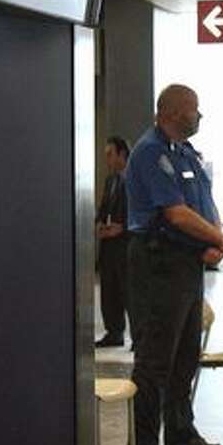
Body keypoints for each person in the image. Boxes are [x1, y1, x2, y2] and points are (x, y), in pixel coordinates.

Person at [124, 84, 223, 445]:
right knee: (155, 359)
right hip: (158, 263)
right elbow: (176, 214)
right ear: (170, 112)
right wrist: (218, 238)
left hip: (187, 263)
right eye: (193, 110)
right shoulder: (151, 152)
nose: (198, 116)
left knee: (185, 354)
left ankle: (180, 432)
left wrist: (217, 239)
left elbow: (205, 203)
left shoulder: (185, 153)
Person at [95, 136, 131, 347]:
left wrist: (122, 228)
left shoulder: (133, 179)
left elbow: (140, 212)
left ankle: (138, 337)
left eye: (110, 154)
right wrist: (99, 223)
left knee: (130, 294)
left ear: (121, 154)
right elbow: (103, 208)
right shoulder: (111, 180)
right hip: (109, 248)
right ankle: (114, 332)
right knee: (109, 292)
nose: (107, 160)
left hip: (126, 246)